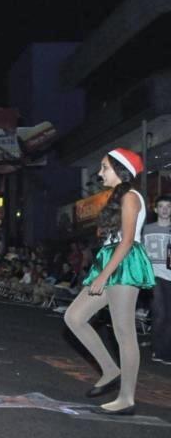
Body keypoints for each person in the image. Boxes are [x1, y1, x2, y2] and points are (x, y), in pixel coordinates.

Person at [63, 148, 155, 415]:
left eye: (104, 167)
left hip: (124, 263)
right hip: (112, 260)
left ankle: (127, 398)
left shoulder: (130, 197)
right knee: (75, 317)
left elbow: (127, 241)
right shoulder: (119, 197)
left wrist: (103, 275)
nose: (100, 172)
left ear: (120, 169)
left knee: (124, 332)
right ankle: (110, 369)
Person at [142, 194, 171, 364]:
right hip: (154, 275)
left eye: (168, 206)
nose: (165, 209)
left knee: (169, 316)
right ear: (155, 209)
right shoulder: (148, 229)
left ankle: (165, 350)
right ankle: (158, 350)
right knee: (159, 313)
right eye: (161, 206)